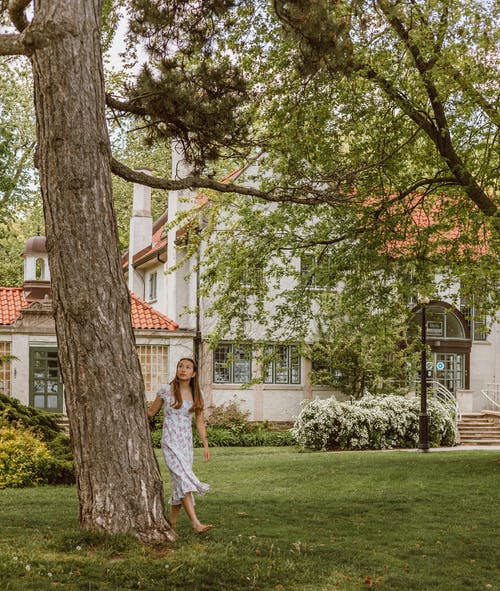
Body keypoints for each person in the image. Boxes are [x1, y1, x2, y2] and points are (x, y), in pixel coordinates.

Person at [148, 357, 213, 533]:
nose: (182, 369)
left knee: (179, 483)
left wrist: (205, 444)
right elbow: (151, 412)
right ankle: (196, 523)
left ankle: (173, 526)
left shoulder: (197, 394)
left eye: (187, 367)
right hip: (170, 442)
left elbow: (199, 421)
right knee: (183, 480)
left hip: (186, 444)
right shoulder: (166, 391)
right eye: (180, 366)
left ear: (194, 373)